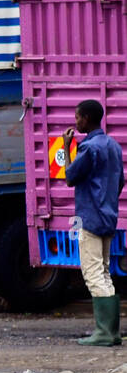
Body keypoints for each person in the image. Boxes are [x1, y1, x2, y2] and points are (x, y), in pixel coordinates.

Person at [63, 99, 125, 346]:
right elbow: (120, 182)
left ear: (86, 119)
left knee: (92, 274)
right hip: (109, 216)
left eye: (78, 117)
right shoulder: (113, 146)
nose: (76, 121)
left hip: (89, 217)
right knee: (105, 273)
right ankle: (112, 332)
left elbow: (70, 177)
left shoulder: (89, 148)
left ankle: (104, 333)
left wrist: (67, 147)